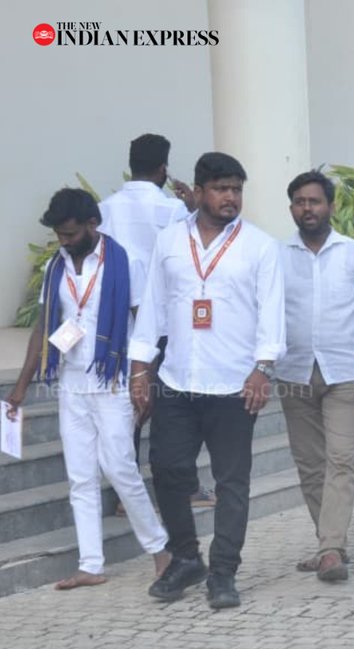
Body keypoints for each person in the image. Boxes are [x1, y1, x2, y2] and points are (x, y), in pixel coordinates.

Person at [128, 152, 286, 609]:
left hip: (235, 385)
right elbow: (153, 307)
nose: (230, 197)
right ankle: (185, 559)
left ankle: (223, 573)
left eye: (236, 189)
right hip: (177, 379)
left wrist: (263, 368)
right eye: (220, 188)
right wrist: (141, 369)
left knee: (231, 482)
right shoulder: (170, 240)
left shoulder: (259, 246)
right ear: (197, 192)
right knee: (168, 469)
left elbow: (271, 314)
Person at [5, 189, 169, 589]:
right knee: (80, 475)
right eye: (59, 234)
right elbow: (45, 328)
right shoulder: (55, 269)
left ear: (93, 225)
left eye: (70, 233)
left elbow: (144, 325)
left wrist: (145, 378)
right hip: (72, 382)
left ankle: (161, 551)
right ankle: (90, 564)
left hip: (114, 380)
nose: (64, 240)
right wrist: (20, 388)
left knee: (119, 468)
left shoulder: (124, 261)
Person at [97, 133, 216, 510]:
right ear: (164, 168)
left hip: (116, 325)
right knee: (170, 409)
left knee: (127, 408)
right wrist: (194, 206)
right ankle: (185, 487)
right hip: (164, 323)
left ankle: (122, 493)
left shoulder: (104, 209)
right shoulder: (172, 210)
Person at [276, 171, 354, 582]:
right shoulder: (277, 256)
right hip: (294, 371)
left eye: (315, 201)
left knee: (340, 460)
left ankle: (331, 548)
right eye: (300, 202)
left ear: (331, 206)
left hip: (346, 372)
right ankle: (328, 543)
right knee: (309, 464)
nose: (307, 208)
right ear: (292, 208)